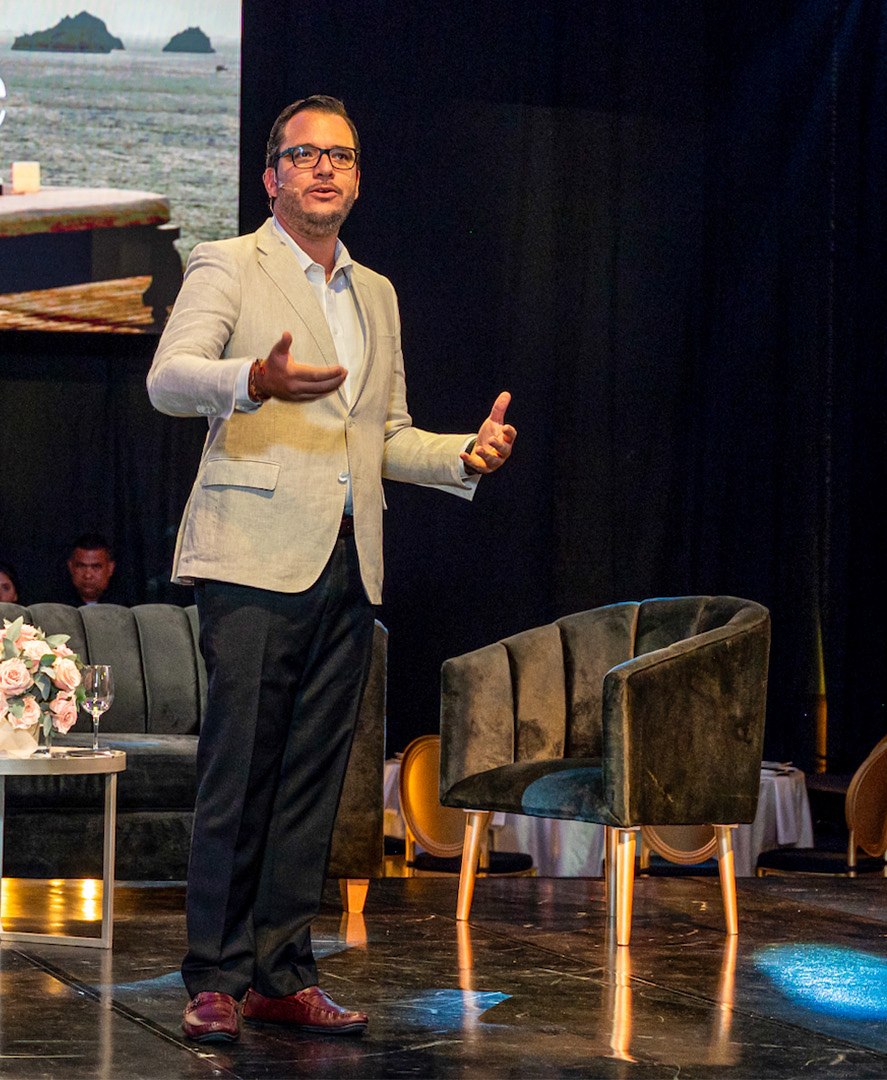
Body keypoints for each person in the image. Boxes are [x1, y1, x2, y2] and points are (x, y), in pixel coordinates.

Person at [147, 96, 516, 1044]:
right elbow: (169, 377)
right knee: (240, 774)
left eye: (341, 157)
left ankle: (281, 973)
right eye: (306, 154)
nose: (324, 169)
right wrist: (251, 380)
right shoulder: (230, 262)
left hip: (352, 562)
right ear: (271, 175)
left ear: (357, 180)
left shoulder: (375, 293)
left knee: (314, 782)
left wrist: (462, 456)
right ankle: (214, 976)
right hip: (252, 558)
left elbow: (383, 434)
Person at [66, 534, 117, 605]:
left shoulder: (126, 607)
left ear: (110, 568)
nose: (88, 575)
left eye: (96, 567)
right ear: (71, 567)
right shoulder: (54, 606)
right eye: (81, 566)